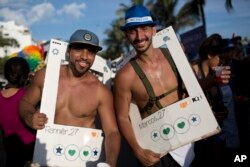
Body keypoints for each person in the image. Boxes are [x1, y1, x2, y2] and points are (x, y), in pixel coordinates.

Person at [19, 29, 120, 167]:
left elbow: (112, 132)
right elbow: (25, 103)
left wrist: (111, 163)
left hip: (83, 159)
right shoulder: (46, 76)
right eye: (79, 49)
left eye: (91, 52)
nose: (85, 56)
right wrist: (29, 117)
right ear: (68, 51)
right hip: (46, 157)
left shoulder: (100, 91)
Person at [114, 5, 194, 167]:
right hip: (158, 150)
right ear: (126, 36)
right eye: (132, 31)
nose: (139, 36)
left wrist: (213, 82)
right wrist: (137, 150)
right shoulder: (125, 76)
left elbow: (194, 89)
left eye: (144, 29)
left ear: (153, 30)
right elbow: (122, 117)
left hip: (192, 136)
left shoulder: (175, 55)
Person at [190, 34, 237, 167]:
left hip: (223, 137)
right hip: (201, 142)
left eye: (227, 60)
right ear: (210, 55)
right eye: (221, 59)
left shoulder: (216, 72)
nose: (224, 63)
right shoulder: (192, 71)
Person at [0, 57, 36, 167]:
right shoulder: (29, 96)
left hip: (10, 152)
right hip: (31, 151)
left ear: (6, 75)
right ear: (26, 75)